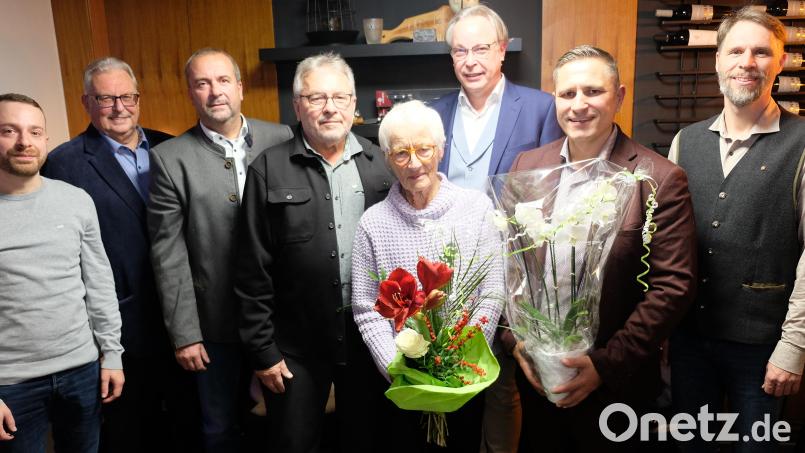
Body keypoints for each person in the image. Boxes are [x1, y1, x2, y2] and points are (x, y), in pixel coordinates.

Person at [508, 46, 697, 451]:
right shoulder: (528, 166)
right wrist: (518, 345)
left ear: (620, 97)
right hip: (540, 383)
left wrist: (603, 366)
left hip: (617, 389)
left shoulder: (658, 178)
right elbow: (510, 265)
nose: (579, 105)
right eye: (567, 93)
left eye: (592, 91)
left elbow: (672, 287)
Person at [235, 52, 392, 453]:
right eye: (316, 97)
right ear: (298, 105)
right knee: (294, 443)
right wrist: (263, 351)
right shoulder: (268, 169)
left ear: (354, 104)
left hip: (370, 344)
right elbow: (251, 268)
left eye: (340, 97)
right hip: (294, 350)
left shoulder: (381, 167)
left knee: (368, 441)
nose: (329, 108)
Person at [668, 7, 805, 452]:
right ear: (717, 60)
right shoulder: (685, 141)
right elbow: (668, 244)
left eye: (762, 52)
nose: (748, 62)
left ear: (779, 63)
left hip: (763, 348)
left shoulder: (802, 144)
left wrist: (793, 347)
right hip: (690, 341)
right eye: (737, 50)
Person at [429, 7, 563, 449]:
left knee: (506, 386)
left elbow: (554, 192)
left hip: (516, 271)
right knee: (451, 382)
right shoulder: (435, 113)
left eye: (481, 48)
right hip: (448, 273)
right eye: (460, 50)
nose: (471, 60)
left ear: (502, 50)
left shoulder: (542, 107)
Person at [148, 48, 292, 453]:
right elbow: (167, 253)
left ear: (240, 88)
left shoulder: (281, 137)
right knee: (219, 427)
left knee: (286, 424)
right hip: (214, 326)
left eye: (223, 80)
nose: (215, 92)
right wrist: (185, 335)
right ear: (191, 93)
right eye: (202, 83)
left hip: (279, 318)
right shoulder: (169, 159)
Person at [41, 57, 177, 453]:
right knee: (129, 431)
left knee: (186, 426)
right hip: (118, 328)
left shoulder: (169, 147)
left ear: (138, 98)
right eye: (105, 98)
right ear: (86, 101)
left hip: (182, 317)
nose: (119, 107)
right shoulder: (62, 164)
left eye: (127, 96)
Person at [350, 100, 504, 451]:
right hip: (404, 379)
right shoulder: (373, 223)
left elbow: (492, 292)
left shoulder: (476, 208)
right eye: (401, 153)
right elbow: (365, 308)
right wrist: (398, 368)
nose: (415, 162)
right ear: (388, 158)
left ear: (441, 149)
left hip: (463, 375)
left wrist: (455, 361)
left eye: (424, 149)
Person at [0, 93, 124, 452]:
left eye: (35, 132)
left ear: (45, 140)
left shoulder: (75, 200)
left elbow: (99, 283)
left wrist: (112, 354)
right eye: (10, 130)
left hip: (82, 371)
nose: (25, 141)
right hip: (11, 384)